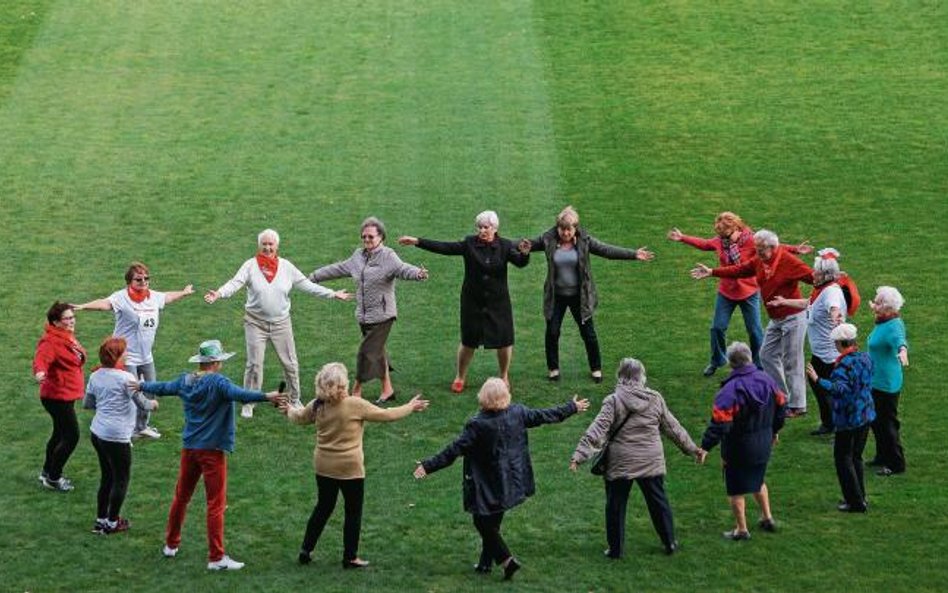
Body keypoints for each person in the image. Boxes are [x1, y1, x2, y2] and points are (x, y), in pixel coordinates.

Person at [132, 339, 287, 570]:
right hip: (212, 452)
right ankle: (216, 558)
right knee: (215, 504)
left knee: (181, 497)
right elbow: (241, 395)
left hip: (190, 448)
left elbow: (163, 387)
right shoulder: (218, 382)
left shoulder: (185, 380)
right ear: (215, 362)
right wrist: (268, 396)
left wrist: (141, 386)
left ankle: (170, 545)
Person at [413, 378, 589, 580]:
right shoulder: (518, 413)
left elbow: (454, 450)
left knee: (482, 523)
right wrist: (571, 407)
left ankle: (507, 561)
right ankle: (485, 564)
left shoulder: (477, 425)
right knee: (493, 523)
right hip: (511, 480)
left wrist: (428, 465)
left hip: (487, 483)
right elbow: (545, 415)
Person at [287, 362, 429, 568]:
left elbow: (299, 417)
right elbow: (387, 415)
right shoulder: (355, 404)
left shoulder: (317, 404)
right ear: (342, 386)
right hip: (350, 469)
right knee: (353, 511)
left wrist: (288, 409)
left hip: (323, 466)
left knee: (323, 508)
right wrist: (410, 406)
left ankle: (305, 550)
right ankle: (350, 557)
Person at [204, 229, 350, 418]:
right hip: (255, 322)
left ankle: (295, 398)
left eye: (271, 244)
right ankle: (249, 401)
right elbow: (235, 282)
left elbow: (306, 284)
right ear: (259, 245)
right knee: (254, 364)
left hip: (281, 323)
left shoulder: (287, 267)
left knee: (290, 363)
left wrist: (332, 293)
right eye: (264, 244)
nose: (267, 247)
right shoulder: (250, 266)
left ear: (277, 246)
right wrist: (219, 293)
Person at [569, 358, 704, 557]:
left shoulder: (614, 401)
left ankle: (616, 550)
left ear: (620, 377)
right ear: (641, 377)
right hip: (651, 460)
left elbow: (597, 430)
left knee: (615, 505)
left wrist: (578, 457)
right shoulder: (655, 398)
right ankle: (669, 542)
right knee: (658, 501)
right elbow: (673, 429)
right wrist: (693, 449)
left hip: (621, 462)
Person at [519, 206, 653, 383]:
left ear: (576, 228)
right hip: (556, 296)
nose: (565, 233)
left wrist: (634, 254)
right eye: (562, 229)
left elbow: (607, 251)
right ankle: (553, 369)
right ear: (557, 228)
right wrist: (514, 245)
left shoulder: (585, 241)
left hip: (580, 296)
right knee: (552, 332)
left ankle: (596, 369)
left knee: (588, 334)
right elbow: (524, 244)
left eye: (569, 229)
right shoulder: (547, 239)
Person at [399, 211, 529, 392]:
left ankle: (504, 376)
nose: (482, 230)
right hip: (472, 302)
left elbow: (521, 263)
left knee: (505, 341)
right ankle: (460, 376)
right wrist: (418, 241)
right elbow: (446, 248)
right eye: (480, 227)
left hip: (498, 303)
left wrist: (524, 253)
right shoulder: (469, 244)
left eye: (486, 227)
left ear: (495, 228)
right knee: (468, 341)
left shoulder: (505, 246)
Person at [668, 212, 811, 376]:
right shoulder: (720, 241)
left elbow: (774, 247)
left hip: (749, 292)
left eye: (726, 233)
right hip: (726, 292)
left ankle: (759, 364)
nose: (723, 238)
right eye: (720, 234)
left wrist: (796, 249)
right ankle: (717, 360)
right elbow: (705, 243)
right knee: (717, 328)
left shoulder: (751, 240)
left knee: (755, 331)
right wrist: (682, 237)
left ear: (735, 227)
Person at [692, 229, 813, 417]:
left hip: (793, 317)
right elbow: (740, 269)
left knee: (792, 360)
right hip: (776, 318)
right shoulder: (759, 260)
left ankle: (798, 405)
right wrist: (712, 272)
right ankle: (781, 396)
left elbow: (815, 279)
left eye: (761, 250)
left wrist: (825, 296)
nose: (757, 253)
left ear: (773, 248)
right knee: (766, 355)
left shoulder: (789, 262)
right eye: (756, 249)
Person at [309, 217, 429, 403]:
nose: (367, 240)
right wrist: (315, 276)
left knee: (366, 352)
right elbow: (339, 268)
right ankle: (387, 390)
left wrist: (418, 274)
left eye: (371, 237)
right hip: (364, 316)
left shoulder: (388, 256)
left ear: (381, 237)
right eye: (364, 237)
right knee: (378, 352)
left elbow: (403, 269)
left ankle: (356, 390)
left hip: (383, 315)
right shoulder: (358, 256)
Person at [74, 262, 194, 439]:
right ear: (129, 281)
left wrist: (183, 293)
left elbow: (167, 297)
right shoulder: (121, 297)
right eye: (139, 279)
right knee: (131, 392)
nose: (144, 282)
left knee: (150, 389)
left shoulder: (152, 296)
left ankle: (141, 427)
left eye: (146, 278)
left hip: (146, 356)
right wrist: (83, 306)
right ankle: (126, 430)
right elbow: (104, 304)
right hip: (126, 357)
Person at [700, 342, 786, 540]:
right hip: (764, 443)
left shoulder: (729, 391)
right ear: (749, 358)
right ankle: (767, 517)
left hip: (738, 448)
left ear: (731, 363)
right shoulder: (767, 380)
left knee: (736, 488)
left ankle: (741, 529)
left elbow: (720, 424)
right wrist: (774, 431)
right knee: (758, 479)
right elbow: (781, 408)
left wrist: (705, 446)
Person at [768, 248, 847, 436]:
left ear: (825, 274)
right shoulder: (821, 290)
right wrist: (784, 302)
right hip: (822, 352)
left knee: (824, 386)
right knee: (820, 385)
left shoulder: (830, 293)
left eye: (817, 272)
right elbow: (810, 304)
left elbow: (833, 306)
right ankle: (831, 422)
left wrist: (836, 315)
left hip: (830, 355)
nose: (813, 275)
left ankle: (833, 423)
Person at [84, 337, 159, 534]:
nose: (127, 354)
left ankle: (100, 519)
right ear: (117, 356)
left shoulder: (95, 376)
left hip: (97, 432)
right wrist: (154, 404)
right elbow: (143, 404)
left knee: (107, 477)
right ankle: (112, 522)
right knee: (121, 479)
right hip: (116, 437)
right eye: (124, 352)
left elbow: (88, 404)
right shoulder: (126, 379)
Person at [806, 324, 875, 512]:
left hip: (849, 418)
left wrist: (818, 380)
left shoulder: (842, 367)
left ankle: (854, 502)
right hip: (866, 413)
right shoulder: (866, 358)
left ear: (840, 343)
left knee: (843, 458)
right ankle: (861, 497)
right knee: (856, 457)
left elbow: (839, 389)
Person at [33, 301, 87, 492]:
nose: (72, 321)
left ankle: (47, 471)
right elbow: (41, 359)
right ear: (56, 322)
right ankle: (54, 477)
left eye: (73, 317)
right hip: (57, 396)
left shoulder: (65, 336)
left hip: (65, 393)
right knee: (72, 436)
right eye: (67, 318)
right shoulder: (51, 341)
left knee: (59, 434)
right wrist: (40, 372)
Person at [866, 286, 908, 477]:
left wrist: (903, 351)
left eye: (878, 302)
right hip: (877, 380)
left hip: (886, 383)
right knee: (876, 421)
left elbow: (899, 340)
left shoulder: (892, 325)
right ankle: (882, 456)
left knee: (887, 423)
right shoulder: (884, 320)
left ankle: (896, 462)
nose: (874, 304)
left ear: (888, 307)